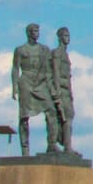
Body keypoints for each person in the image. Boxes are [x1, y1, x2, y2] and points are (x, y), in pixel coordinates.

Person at [11, 23, 58, 156]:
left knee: (51, 111)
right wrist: (14, 87)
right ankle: (25, 148)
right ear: (28, 33)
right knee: (24, 116)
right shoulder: (20, 50)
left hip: (41, 83)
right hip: (26, 81)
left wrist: (52, 87)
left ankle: (52, 144)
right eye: (33, 31)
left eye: (37, 31)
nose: (36, 33)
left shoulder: (44, 49)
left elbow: (50, 71)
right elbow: (15, 68)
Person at [50, 27, 75, 153]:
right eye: (65, 35)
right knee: (64, 118)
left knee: (69, 117)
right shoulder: (57, 52)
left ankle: (67, 146)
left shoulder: (65, 54)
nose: (68, 38)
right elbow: (55, 72)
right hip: (60, 90)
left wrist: (70, 94)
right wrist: (57, 91)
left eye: (68, 35)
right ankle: (65, 146)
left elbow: (68, 76)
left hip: (67, 90)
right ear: (60, 37)